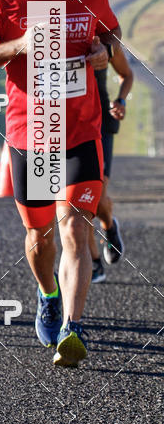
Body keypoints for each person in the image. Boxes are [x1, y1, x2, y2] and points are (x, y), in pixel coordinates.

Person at [0, 0, 120, 367]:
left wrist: (103, 50)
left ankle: (73, 326)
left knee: (74, 229)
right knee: (40, 234)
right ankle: (48, 293)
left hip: (81, 129)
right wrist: (19, 45)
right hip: (34, 131)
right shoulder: (3, 0)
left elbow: (110, 34)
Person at [89, 45, 133, 282]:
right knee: (73, 203)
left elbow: (127, 75)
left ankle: (108, 226)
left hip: (100, 125)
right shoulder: (49, 36)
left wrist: (121, 101)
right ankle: (95, 263)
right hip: (59, 124)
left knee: (95, 198)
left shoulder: (104, 39)